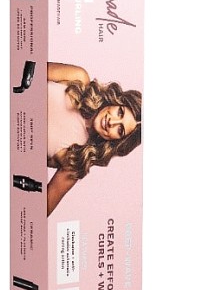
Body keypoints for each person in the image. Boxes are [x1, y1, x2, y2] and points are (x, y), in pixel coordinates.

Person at [47, 62, 141, 216]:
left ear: (116, 141)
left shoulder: (76, 160)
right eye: (120, 112)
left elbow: (41, 208)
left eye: (120, 129)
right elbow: (26, 68)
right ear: (116, 101)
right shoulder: (79, 78)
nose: (112, 122)